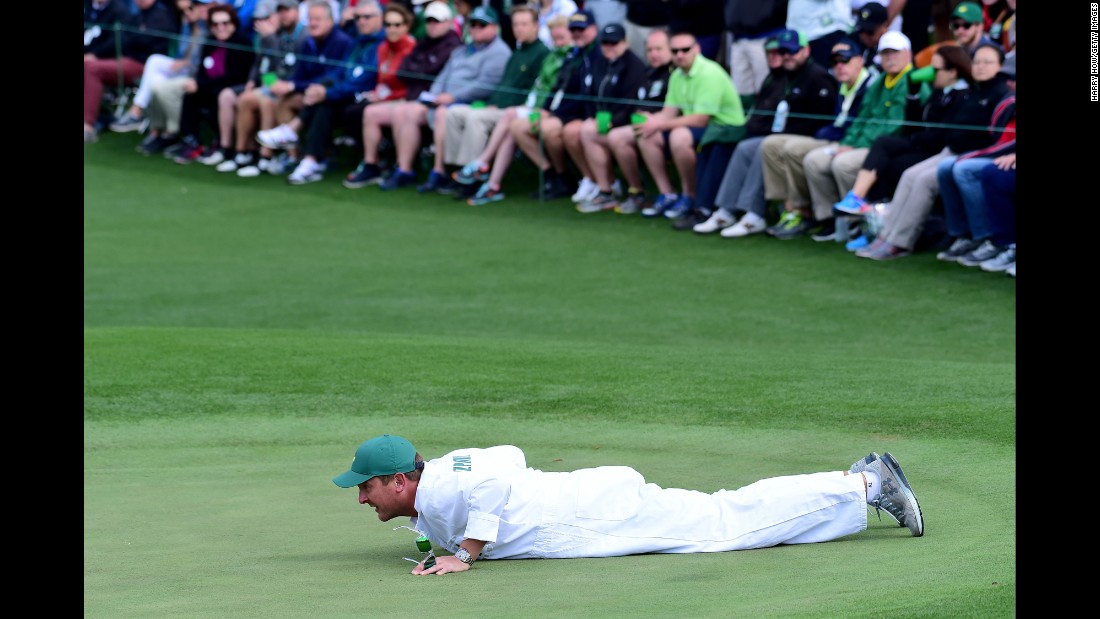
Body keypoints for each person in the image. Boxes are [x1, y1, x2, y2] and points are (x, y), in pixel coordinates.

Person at [332, 435, 924, 574]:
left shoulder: (441, 487)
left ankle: (865, 486)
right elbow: (509, 455)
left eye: (366, 485)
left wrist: (466, 551)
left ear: (398, 480)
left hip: (594, 514)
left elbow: (492, 489)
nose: (361, 495)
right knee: (721, 514)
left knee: (724, 524)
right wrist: (433, 537)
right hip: (590, 499)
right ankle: (857, 486)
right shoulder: (445, 469)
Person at [852, 43, 1010, 261]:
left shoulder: (998, 94)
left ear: (1000, 66)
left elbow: (988, 135)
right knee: (909, 175)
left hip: (970, 153)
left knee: (924, 180)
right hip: (952, 150)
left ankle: (900, 241)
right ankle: (885, 236)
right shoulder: (972, 91)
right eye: (977, 62)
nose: (981, 67)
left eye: (988, 62)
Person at [693, 29, 837, 238]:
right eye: (783, 52)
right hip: (780, 135)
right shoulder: (781, 76)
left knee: (765, 145)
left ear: (806, 51)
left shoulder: (817, 77)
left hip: (808, 138)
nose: (787, 56)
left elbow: (821, 121)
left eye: (792, 51)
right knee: (744, 147)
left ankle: (754, 214)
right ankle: (726, 210)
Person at [797, 31, 930, 242]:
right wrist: (848, 142)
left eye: (895, 53)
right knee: (815, 160)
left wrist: (855, 146)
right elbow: (862, 118)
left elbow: (894, 127)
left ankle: (858, 223)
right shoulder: (879, 83)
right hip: (867, 144)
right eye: (885, 53)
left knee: (842, 164)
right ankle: (831, 219)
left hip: (894, 146)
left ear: (908, 54)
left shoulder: (912, 81)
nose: (890, 58)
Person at [423, 5, 550, 195]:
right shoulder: (519, 51)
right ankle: (458, 170)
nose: (519, 29)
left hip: (516, 110)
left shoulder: (541, 53)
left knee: (475, 118)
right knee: (453, 114)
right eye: (516, 24)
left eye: (524, 24)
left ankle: (473, 174)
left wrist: (497, 104)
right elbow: (503, 87)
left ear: (536, 26)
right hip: (497, 106)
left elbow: (529, 92)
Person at [759, 37, 873, 242]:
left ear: (860, 60)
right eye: (835, 62)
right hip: (836, 139)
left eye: (845, 60)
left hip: (852, 143)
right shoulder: (841, 85)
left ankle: (844, 219)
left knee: (813, 156)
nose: (839, 66)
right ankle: (796, 209)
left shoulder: (869, 85)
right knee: (771, 144)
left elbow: (860, 126)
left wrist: (844, 141)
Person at [342, 1, 464, 189]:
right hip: (415, 98)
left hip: (425, 101)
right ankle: (373, 164)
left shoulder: (451, 45)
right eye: (429, 20)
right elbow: (404, 71)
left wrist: (416, 76)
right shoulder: (422, 43)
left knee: (401, 112)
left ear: (448, 22)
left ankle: (404, 167)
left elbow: (424, 73)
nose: (432, 24)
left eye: (437, 21)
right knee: (368, 112)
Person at [457, 15, 575, 206]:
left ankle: (483, 163)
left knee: (510, 117)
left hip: (546, 111)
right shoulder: (547, 55)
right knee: (512, 125)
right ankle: (493, 184)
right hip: (532, 107)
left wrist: (544, 110)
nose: (558, 43)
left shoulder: (561, 57)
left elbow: (556, 92)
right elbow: (532, 88)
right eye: (555, 39)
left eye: (561, 38)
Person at [633, 30, 747, 222]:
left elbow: (701, 118)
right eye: (675, 50)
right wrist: (650, 122)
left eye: (685, 50)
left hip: (724, 127)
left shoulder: (709, 72)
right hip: (699, 127)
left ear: (697, 49)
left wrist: (660, 123)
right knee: (647, 133)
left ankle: (689, 195)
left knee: (679, 136)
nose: (680, 54)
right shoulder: (677, 75)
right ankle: (667, 194)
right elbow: (669, 112)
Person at [573, 23, 648, 213]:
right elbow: (589, 94)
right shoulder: (599, 63)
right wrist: (592, 117)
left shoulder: (635, 66)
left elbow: (632, 102)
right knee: (587, 129)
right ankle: (606, 190)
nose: (609, 47)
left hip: (625, 123)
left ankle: (636, 191)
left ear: (625, 42)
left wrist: (615, 121)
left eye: (613, 43)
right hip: (604, 122)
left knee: (616, 138)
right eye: (605, 43)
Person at [170, 4, 257, 163]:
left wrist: (201, 84)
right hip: (211, 85)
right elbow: (202, 70)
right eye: (215, 24)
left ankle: (226, 146)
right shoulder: (209, 41)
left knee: (218, 95)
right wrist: (197, 83)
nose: (220, 28)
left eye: (225, 23)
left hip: (233, 87)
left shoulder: (241, 42)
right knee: (191, 94)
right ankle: (192, 140)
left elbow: (235, 76)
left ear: (233, 23)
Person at [84, 0, 176, 143]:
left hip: (142, 66)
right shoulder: (138, 15)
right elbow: (127, 38)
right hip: (127, 59)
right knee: (89, 65)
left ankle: (87, 125)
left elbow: (138, 41)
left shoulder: (161, 15)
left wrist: (132, 37)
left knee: (91, 67)